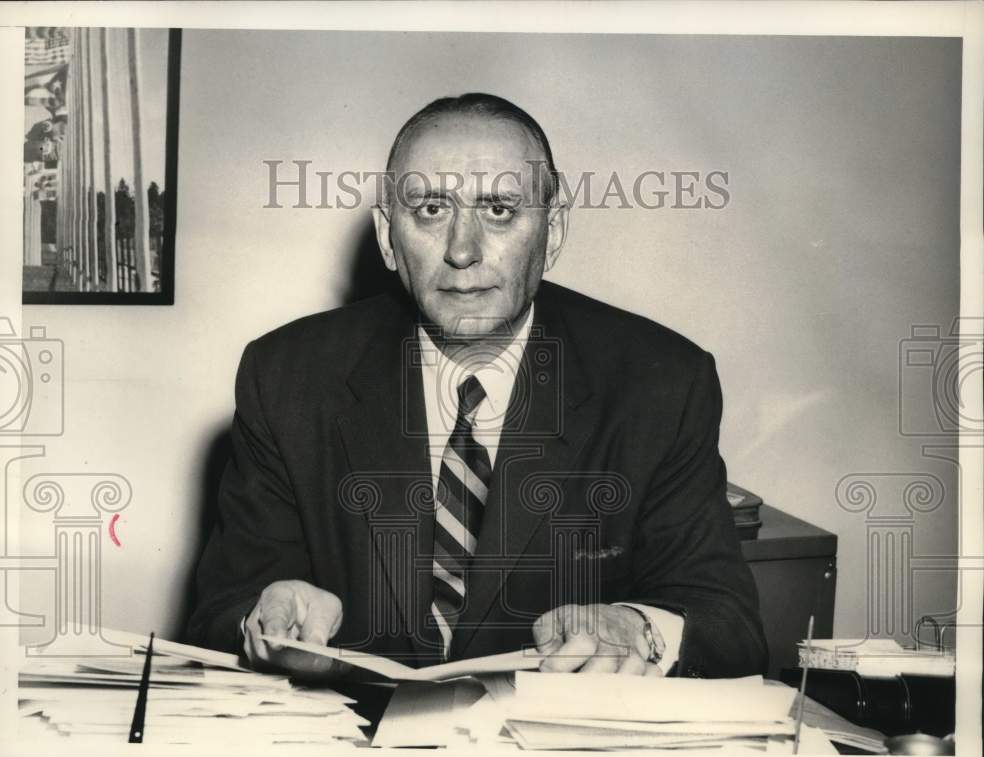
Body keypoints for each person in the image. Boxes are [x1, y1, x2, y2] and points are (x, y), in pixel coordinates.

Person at [187, 93, 767, 679]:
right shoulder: (286, 376)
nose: (463, 251)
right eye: (431, 210)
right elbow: (217, 612)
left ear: (554, 230)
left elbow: (729, 627)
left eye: (499, 211)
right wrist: (261, 620)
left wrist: (639, 629)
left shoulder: (661, 383)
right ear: (389, 237)